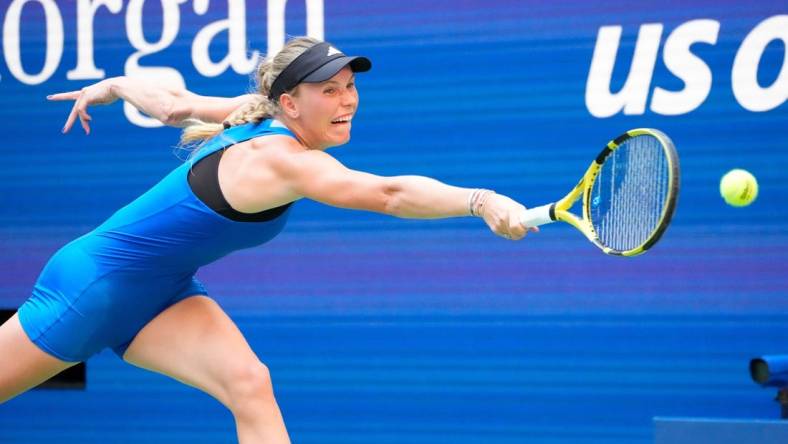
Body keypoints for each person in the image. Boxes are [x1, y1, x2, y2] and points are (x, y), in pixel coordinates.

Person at [0, 36, 535, 443]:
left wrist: (114, 86)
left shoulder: (253, 111)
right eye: (330, 90)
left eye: (350, 86)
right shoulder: (280, 160)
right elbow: (390, 194)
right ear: (290, 103)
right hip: (90, 288)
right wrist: (480, 199)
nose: (347, 100)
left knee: (250, 383)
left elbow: (170, 103)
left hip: (162, 291)